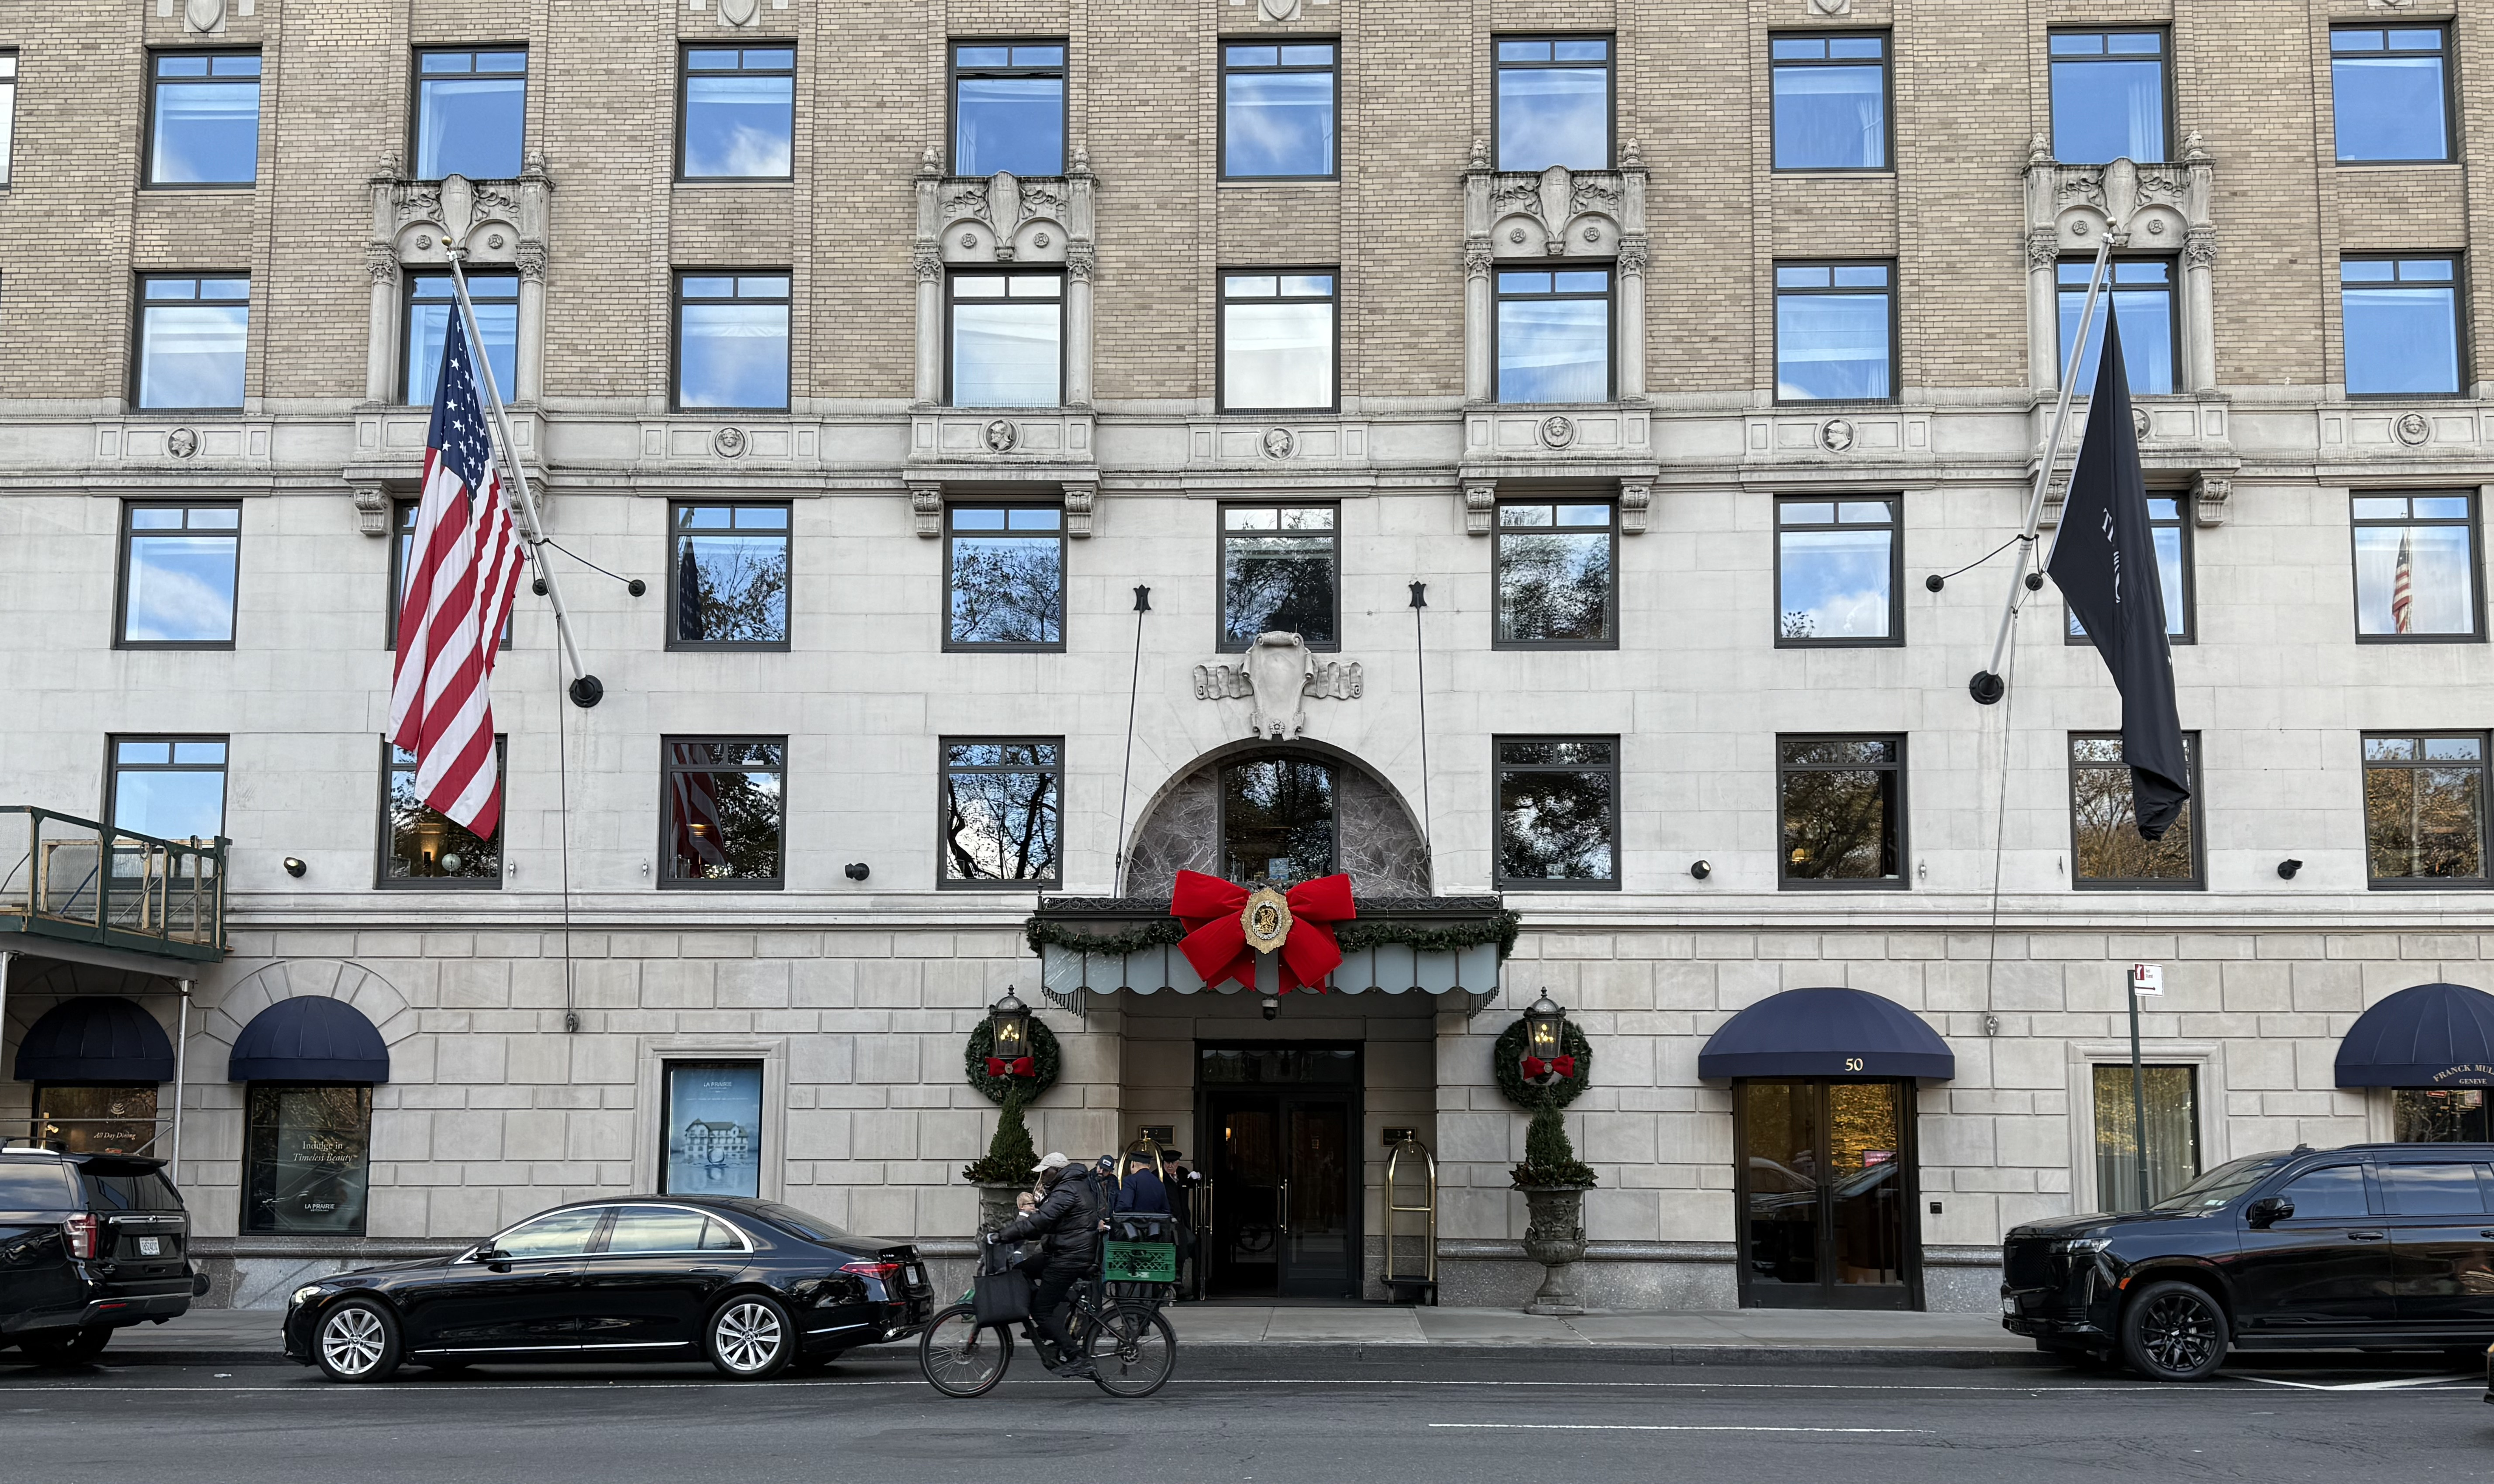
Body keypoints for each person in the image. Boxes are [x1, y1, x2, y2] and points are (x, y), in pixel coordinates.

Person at [989, 1151, 1108, 1377]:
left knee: (1040, 1310)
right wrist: (1014, 1234)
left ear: (1056, 1171)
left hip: (1069, 1257)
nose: (1042, 1177)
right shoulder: (1070, 1186)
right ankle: (1051, 1326)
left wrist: (1002, 1236)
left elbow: (1041, 1220)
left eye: (1045, 1172)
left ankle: (1078, 1357)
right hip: (1063, 1252)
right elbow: (1046, 1225)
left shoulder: (1067, 1190)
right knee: (1021, 1270)